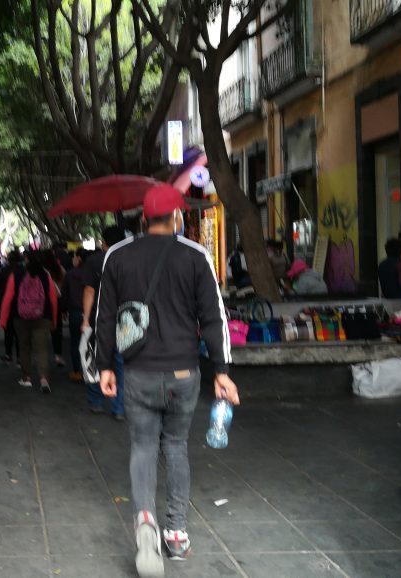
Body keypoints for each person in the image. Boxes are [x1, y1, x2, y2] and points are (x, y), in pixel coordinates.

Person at [95, 185, 239, 577]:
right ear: (176, 218)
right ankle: (175, 533)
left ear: (144, 218)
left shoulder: (118, 256)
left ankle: (145, 520)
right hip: (183, 374)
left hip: (139, 373)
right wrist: (222, 372)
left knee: (142, 446)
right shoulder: (195, 256)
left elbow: (105, 317)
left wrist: (104, 366)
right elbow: (214, 318)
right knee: (175, 447)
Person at [82, 226, 127, 418]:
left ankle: (97, 401)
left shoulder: (95, 261)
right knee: (121, 363)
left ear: (104, 242)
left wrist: (85, 319)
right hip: (126, 320)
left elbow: (90, 291)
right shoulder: (130, 259)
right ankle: (119, 407)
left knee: (95, 359)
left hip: (101, 319)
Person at [0, 250, 59, 393]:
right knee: (42, 348)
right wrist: (54, 319)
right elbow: (53, 299)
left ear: (26, 260)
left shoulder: (17, 275)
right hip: (42, 317)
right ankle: (44, 379)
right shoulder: (46, 275)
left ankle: (26, 378)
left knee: (24, 347)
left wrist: (3, 319)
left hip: (20, 317)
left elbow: (8, 297)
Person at [62, 249, 90, 382]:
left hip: (75, 312)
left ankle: (77, 371)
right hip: (90, 312)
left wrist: (64, 310)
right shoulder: (92, 273)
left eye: (74, 257)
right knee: (90, 342)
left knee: (75, 342)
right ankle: (89, 371)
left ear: (78, 258)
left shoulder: (70, 274)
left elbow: (65, 294)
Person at [0, 251, 23, 363]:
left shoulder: (3, 271)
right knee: (20, 332)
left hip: (6, 305)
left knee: (8, 331)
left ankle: (8, 354)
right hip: (22, 305)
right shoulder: (25, 271)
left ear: (8, 260)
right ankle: (20, 356)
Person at [45, 250, 67, 368]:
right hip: (57, 302)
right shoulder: (60, 269)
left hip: (42, 303)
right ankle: (58, 355)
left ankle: (42, 357)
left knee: (41, 330)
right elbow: (64, 288)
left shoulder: (41, 271)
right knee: (57, 330)